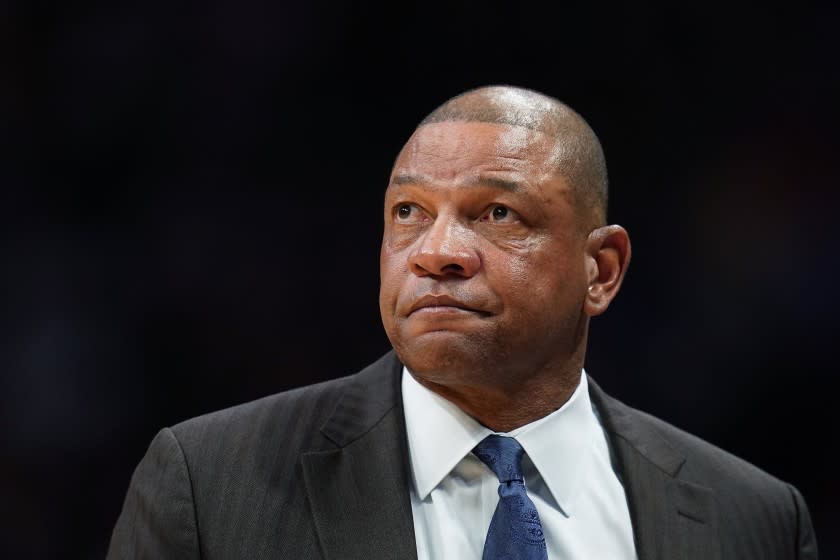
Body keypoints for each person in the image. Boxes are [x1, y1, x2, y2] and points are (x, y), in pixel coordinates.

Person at [108, 86, 818, 559]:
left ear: (600, 270)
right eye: (407, 213)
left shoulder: (750, 520)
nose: (436, 253)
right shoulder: (206, 487)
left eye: (497, 213)